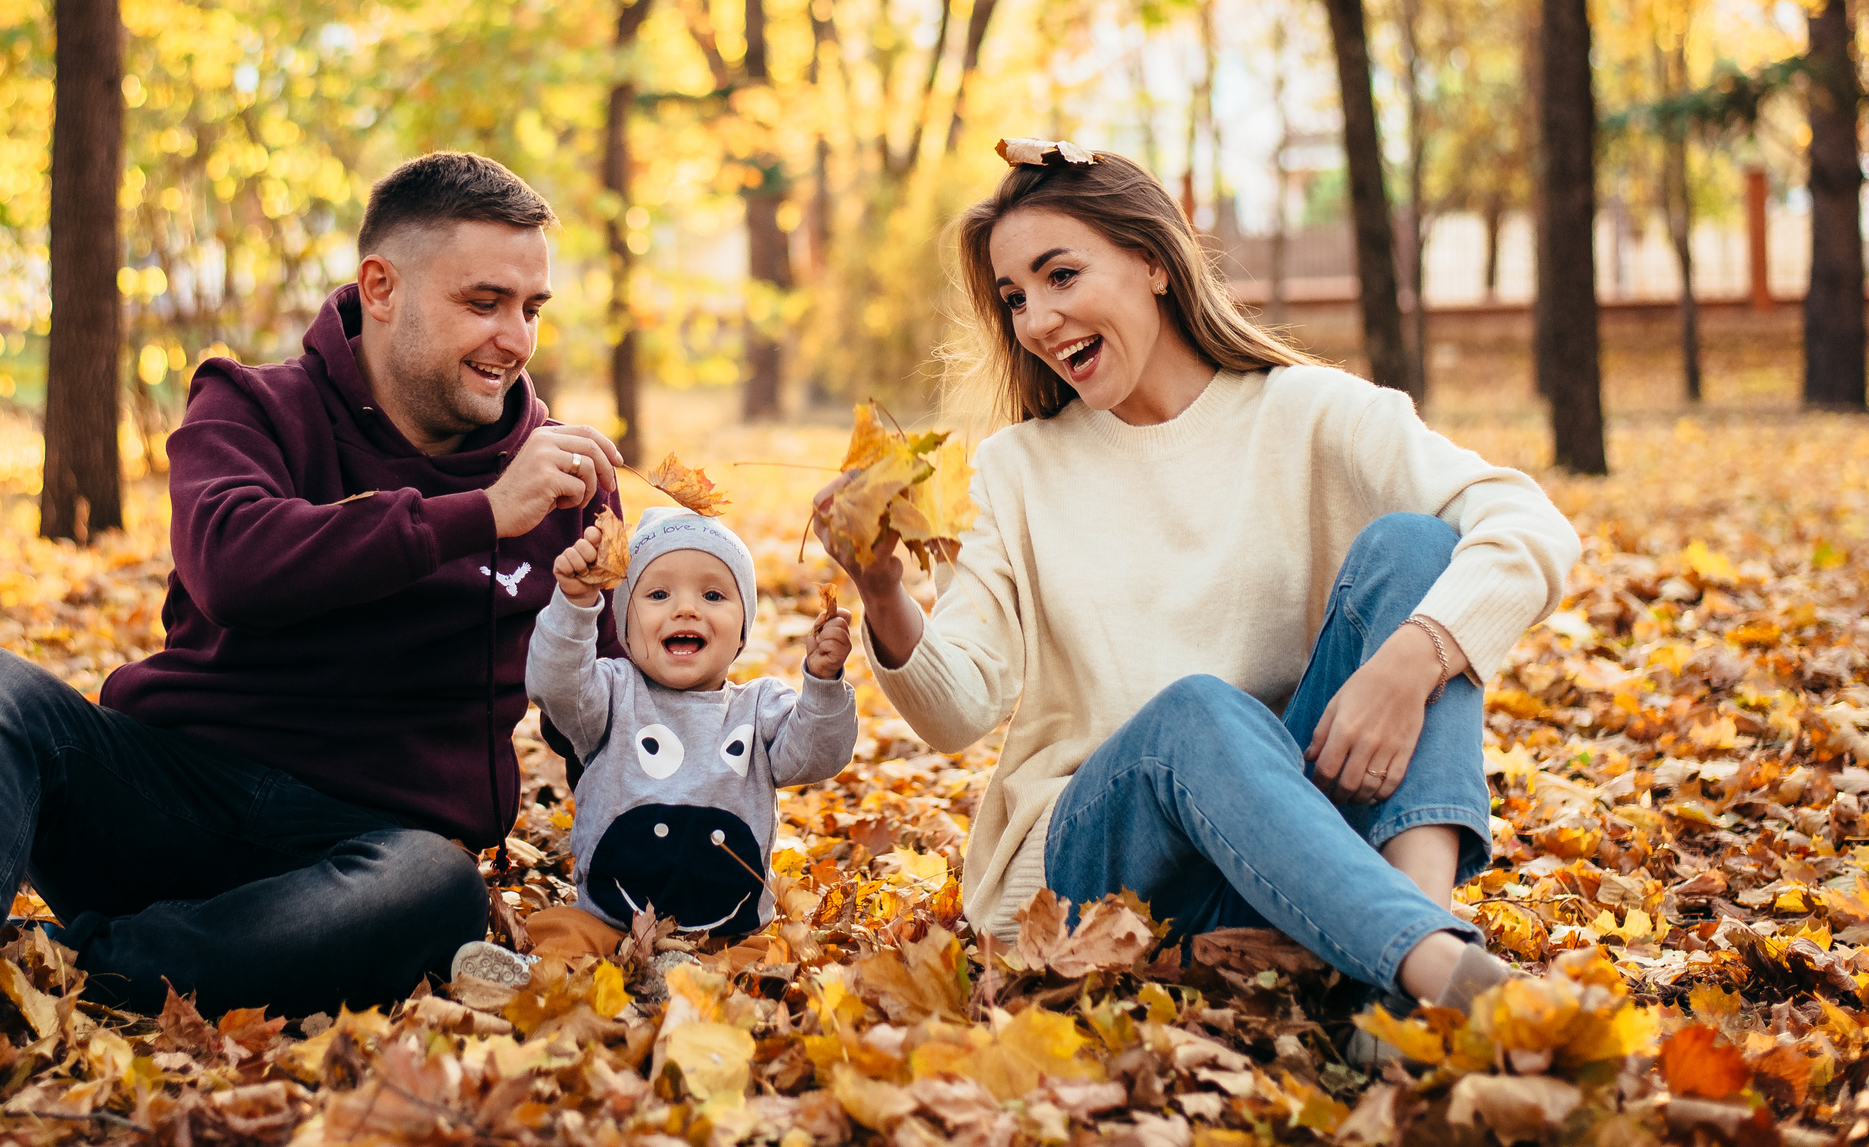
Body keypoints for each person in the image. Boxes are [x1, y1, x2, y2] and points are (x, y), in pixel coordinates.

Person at [0, 152, 626, 1085]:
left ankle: (65, 970)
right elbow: (237, 565)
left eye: (532, 308)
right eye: (485, 302)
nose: (514, 338)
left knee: (440, 889)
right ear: (382, 287)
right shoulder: (249, 404)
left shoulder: (562, 481)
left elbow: (605, 711)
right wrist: (477, 512)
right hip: (171, 798)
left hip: (362, 855)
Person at [818, 144, 1580, 1053]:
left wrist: (1414, 657)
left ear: (1155, 261)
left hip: (1285, 844)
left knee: (1417, 549)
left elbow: (1529, 522)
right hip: (1099, 870)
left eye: (1061, 273)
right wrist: (881, 587)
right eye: (1017, 296)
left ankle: (1399, 974)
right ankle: (1438, 973)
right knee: (1197, 713)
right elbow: (958, 708)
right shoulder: (1014, 472)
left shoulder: (1312, 413)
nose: (1039, 318)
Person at [522, 508, 856, 957]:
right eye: (658, 593)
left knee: (768, 955)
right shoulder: (609, 694)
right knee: (560, 929)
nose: (686, 608)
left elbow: (820, 754)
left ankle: (691, 979)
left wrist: (823, 685)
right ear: (624, 625)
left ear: (742, 629)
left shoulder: (757, 708)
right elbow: (554, 684)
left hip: (724, 932)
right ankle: (527, 974)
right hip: (611, 922)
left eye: (713, 595)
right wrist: (576, 605)